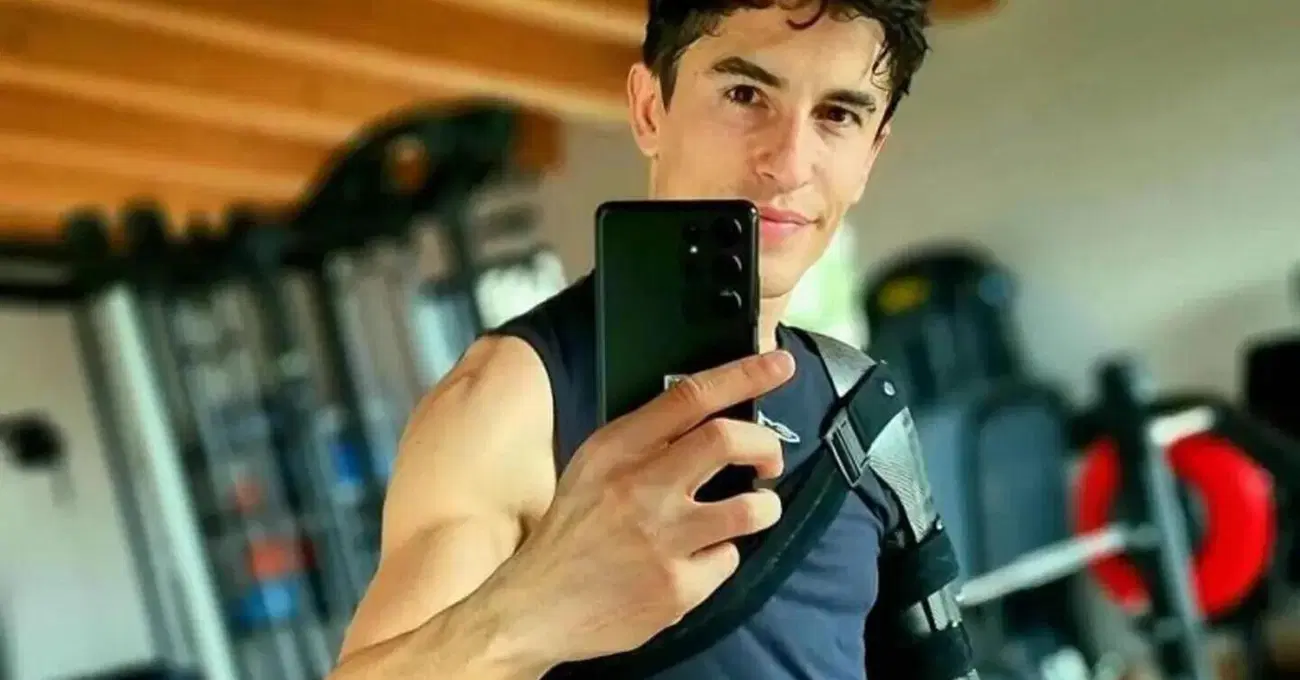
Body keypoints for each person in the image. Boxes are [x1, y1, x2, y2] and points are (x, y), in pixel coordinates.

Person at [331, 1, 944, 679]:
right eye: (746, 95)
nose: (790, 163)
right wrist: (538, 607)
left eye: (838, 115)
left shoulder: (860, 412)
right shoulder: (512, 402)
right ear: (650, 109)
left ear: (870, 156)